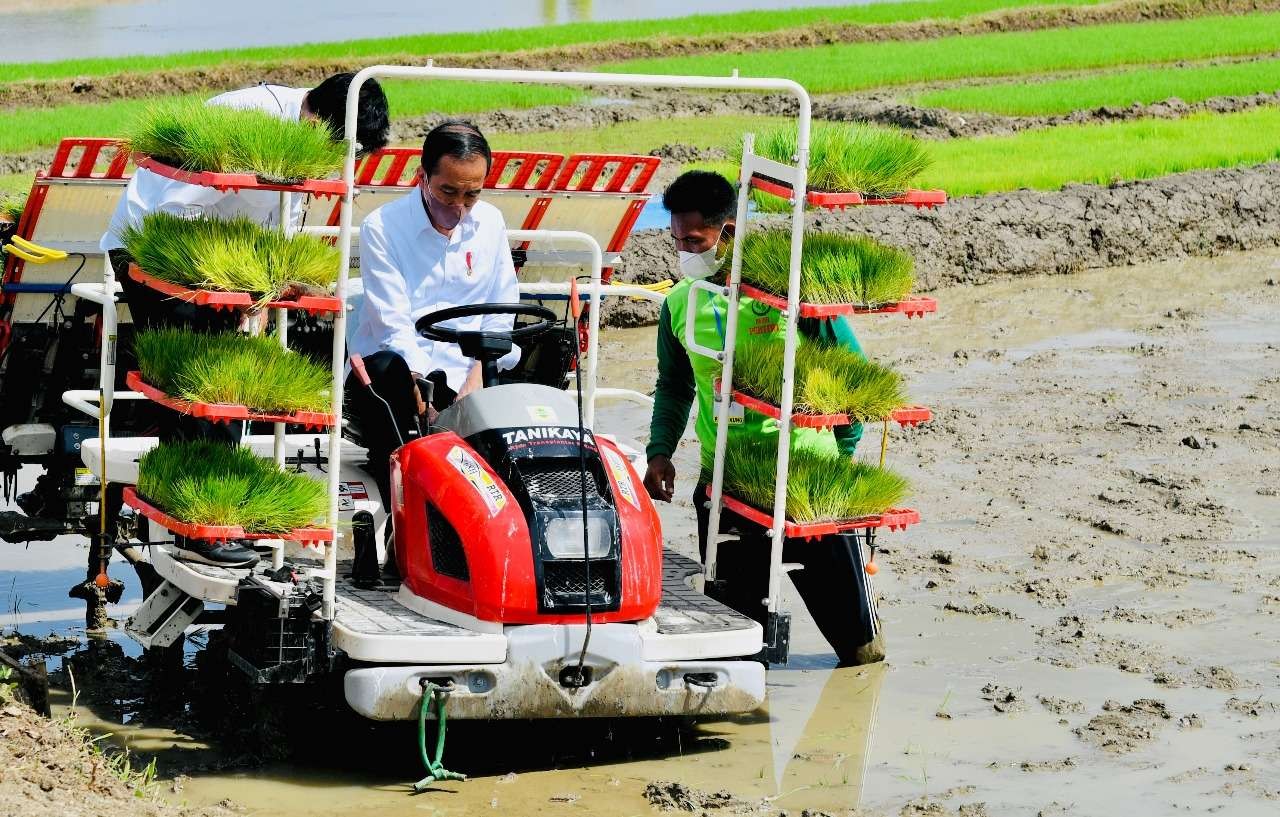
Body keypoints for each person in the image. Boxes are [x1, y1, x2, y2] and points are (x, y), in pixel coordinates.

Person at [98, 73, 390, 569]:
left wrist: (264, 281)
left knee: (234, 390)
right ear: (317, 120)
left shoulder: (297, 138)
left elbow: (273, 218)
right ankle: (200, 526)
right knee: (199, 389)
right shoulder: (246, 117)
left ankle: (224, 515)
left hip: (221, 273)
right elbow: (172, 213)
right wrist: (224, 280)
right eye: (339, 151)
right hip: (155, 253)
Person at [643, 170, 883, 666]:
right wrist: (660, 452)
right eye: (678, 240)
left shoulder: (792, 296)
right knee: (738, 650)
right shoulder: (679, 303)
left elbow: (854, 381)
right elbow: (674, 386)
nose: (685, 251)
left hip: (808, 487)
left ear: (728, 233)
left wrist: (838, 463)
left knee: (859, 650)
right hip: (726, 486)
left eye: (695, 240)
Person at [346, 120, 520, 504]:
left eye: (471, 195)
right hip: (398, 380)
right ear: (422, 177)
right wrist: (422, 393)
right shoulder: (382, 228)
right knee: (388, 368)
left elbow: (500, 312)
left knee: (545, 350)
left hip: (469, 371)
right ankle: (398, 499)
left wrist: (475, 384)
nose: (458, 206)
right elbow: (393, 324)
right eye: (448, 192)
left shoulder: (490, 222)